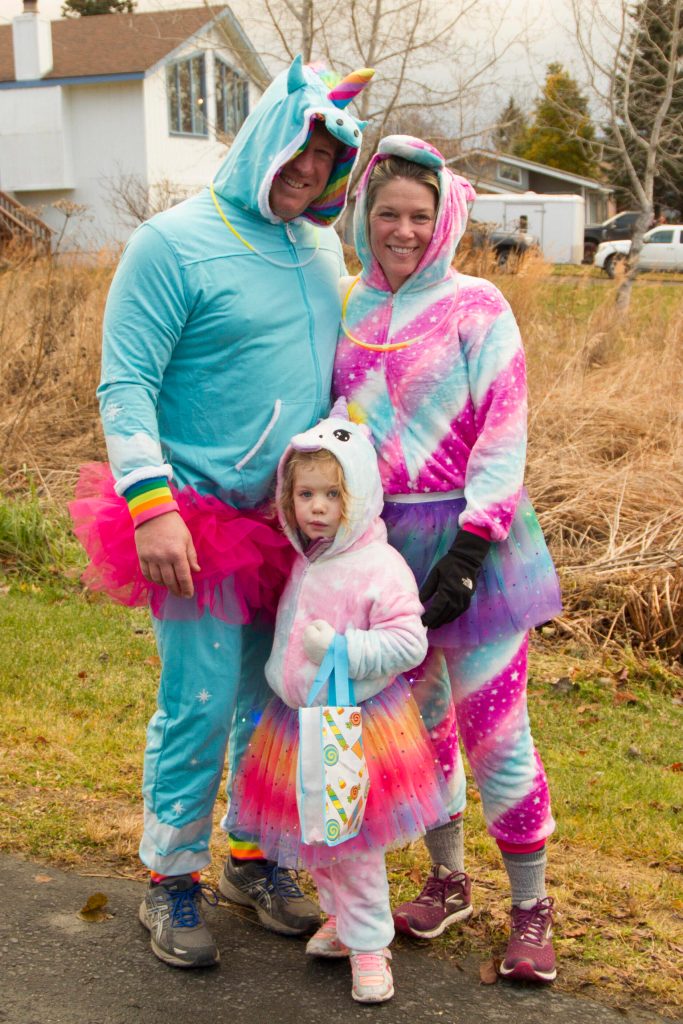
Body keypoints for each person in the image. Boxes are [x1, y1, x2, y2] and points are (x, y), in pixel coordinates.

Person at [69, 56, 375, 969]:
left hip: (293, 527)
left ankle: (254, 857)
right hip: (193, 521)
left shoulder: (321, 248)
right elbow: (124, 383)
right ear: (262, 139)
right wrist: (151, 506)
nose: (309, 169)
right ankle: (169, 881)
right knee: (198, 705)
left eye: (327, 157)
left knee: (274, 703)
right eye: (300, 146)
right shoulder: (170, 242)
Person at [333, 135, 563, 983]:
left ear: (443, 221)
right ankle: (446, 878)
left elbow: (504, 428)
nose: (401, 229)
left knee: (497, 734)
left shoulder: (478, 306)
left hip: (478, 554)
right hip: (382, 555)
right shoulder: (350, 306)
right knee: (418, 728)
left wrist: (470, 545)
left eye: (417, 216)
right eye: (386, 214)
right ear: (364, 217)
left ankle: (531, 907)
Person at [225, 403, 451, 1003]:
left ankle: (372, 944)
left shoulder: (380, 565)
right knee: (315, 838)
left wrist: (346, 649)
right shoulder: (309, 557)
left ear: (361, 494)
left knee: (351, 844)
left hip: (353, 726)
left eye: (332, 493)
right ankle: (342, 922)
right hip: (297, 720)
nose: (317, 507)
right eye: (305, 494)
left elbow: (409, 641)